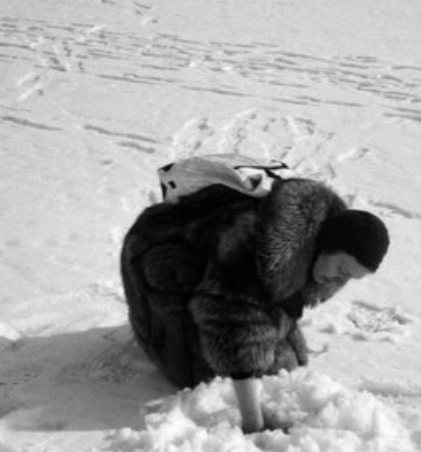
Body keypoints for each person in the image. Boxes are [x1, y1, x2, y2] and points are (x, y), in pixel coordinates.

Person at [121, 177, 389, 433]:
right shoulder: (251, 248)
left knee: (281, 357)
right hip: (153, 254)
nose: (339, 279)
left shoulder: (305, 248)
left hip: (206, 252)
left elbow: (281, 296)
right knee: (205, 376)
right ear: (329, 244)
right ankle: (167, 338)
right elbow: (235, 335)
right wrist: (254, 422)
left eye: (349, 277)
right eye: (341, 268)